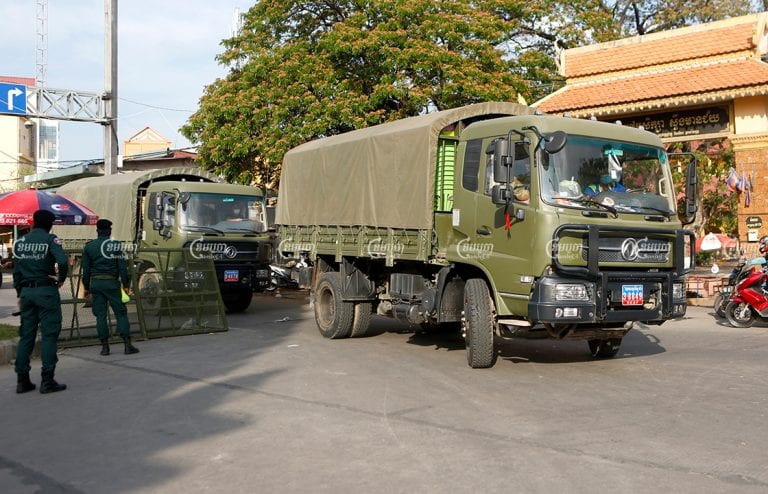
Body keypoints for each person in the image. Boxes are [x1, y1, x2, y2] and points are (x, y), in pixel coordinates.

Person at [12, 209, 69, 394]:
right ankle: (47, 380)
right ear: (50, 224)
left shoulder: (21, 243)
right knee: (49, 335)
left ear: (34, 222)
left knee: (26, 336)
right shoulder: (51, 239)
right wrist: (61, 279)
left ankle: (22, 381)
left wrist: (20, 292)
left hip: (27, 292)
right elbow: (62, 261)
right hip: (46, 291)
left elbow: (16, 272)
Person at [82, 219, 139, 356]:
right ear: (109, 231)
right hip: (112, 284)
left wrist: (86, 287)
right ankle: (127, 345)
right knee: (120, 313)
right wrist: (126, 285)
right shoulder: (115, 246)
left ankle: (105, 347)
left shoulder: (89, 247)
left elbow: (86, 271)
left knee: (100, 316)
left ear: (97, 231)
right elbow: (122, 269)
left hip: (96, 284)